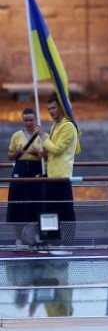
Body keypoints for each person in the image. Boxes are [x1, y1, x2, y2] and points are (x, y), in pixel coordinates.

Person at [37, 97, 78, 237]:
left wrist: (43, 137)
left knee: (65, 210)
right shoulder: (55, 125)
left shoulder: (68, 126)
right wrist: (43, 154)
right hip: (51, 175)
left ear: (61, 107)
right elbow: (52, 152)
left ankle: (69, 241)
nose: (51, 111)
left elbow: (57, 149)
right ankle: (53, 239)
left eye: (53, 108)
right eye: (49, 109)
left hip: (62, 176)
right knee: (51, 210)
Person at [7, 108, 43, 244]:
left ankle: (37, 235)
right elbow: (9, 155)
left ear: (35, 120)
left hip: (35, 169)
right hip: (20, 168)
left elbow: (47, 156)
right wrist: (17, 153)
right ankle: (19, 238)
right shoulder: (17, 135)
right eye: (26, 120)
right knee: (18, 203)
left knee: (37, 202)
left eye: (31, 120)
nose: (28, 123)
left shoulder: (41, 135)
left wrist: (36, 154)